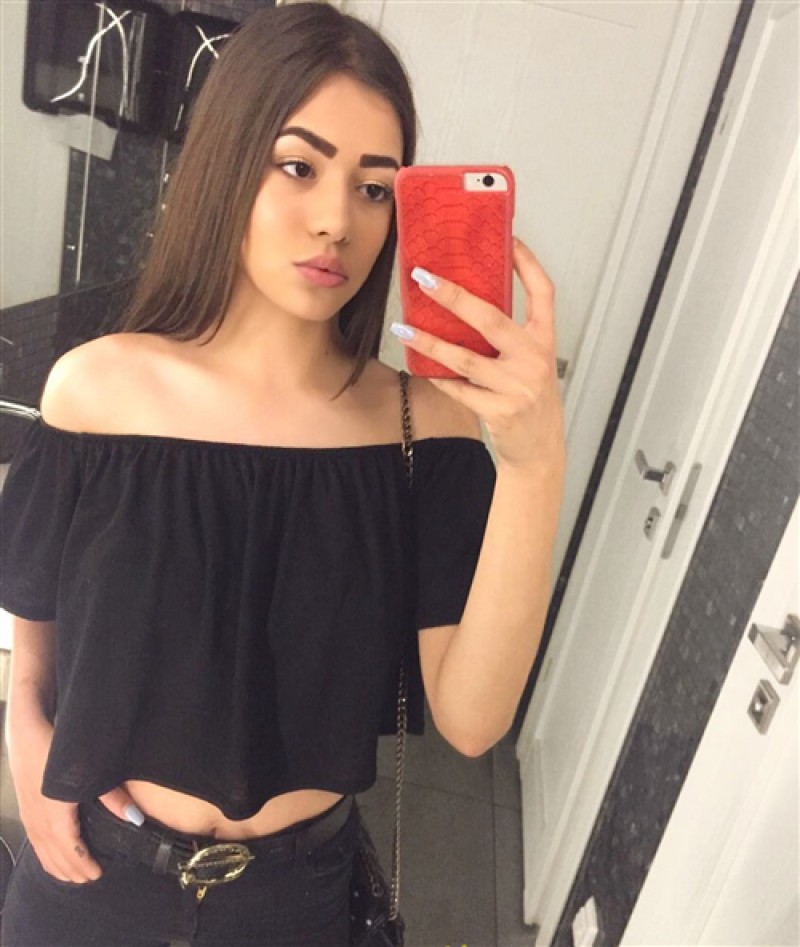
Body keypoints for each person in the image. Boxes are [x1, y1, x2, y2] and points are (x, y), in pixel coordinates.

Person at [0, 3, 566, 945]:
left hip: (294, 898)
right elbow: (36, 594)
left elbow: (472, 720)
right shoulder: (99, 390)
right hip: (90, 867)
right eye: (298, 166)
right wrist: (24, 725)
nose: (337, 220)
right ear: (229, 161)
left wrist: (535, 462)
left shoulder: (423, 428)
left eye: (374, 187)